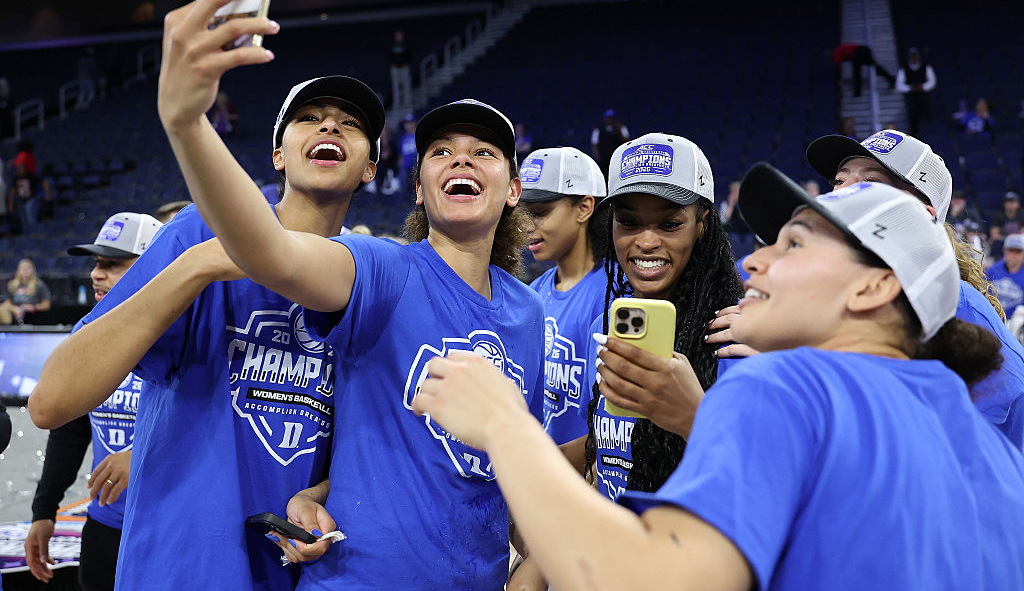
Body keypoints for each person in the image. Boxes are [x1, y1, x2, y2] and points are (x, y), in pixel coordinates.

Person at [412, 166, 1024, 591]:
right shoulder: (992, 450)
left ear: (874, 287)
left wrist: (502, 425)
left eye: (794, 245)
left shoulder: (790, 384)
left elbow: (646, 578)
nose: (755, 259)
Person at [30, 0, 385, 591]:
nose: (330, 126)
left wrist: (322, 495)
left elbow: (371, 445)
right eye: (309, 118)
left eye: (350, 124)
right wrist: (199, 265)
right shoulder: (199, 232)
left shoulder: (375, 272)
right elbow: (53, 401)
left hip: (304, 576)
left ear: (371, 165)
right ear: (278, 154)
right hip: (181, 571)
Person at [160, 55, 544, 588]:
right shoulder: (383, 268)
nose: (462, 162)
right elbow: (275, 253)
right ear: (418, 186)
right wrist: (189, 127)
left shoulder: (528, 313)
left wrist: (538, 564)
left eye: (484, 153)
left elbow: (519, 468)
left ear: (514, 189)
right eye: (440, 153)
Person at [798, 129, 1024, 448]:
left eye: (869, 182)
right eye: (839, 180)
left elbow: (937, 456)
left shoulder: (959, 311)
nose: (840, 194)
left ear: (920, 211)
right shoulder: (849, 294)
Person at [579, 134, 741, 502]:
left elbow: (758, 488)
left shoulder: (733, 341)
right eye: (629, 222)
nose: (647, 242)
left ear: (702, 223)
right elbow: (604, 464)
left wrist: (691, 415)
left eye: (669, 224)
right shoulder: (604, 329)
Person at [25, 212, 161, 591]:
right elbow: (70, 428)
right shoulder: (85, 332)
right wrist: (44, 510)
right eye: (96, 263)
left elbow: (218, 431)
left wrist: (145, 454)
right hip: (104, 523)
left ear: (154, 266)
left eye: (112, 264)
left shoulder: (190, 334)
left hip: (165, 524)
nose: (95, 274)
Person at [520, 147, 607, 444]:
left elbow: (610, 430)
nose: (527, 226)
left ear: (584, 207)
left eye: (541, 213)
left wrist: (534, 470)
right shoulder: (532, 293)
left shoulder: (614, 293)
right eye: (522, 214)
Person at [895, 47, 937, 134]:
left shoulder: (926, 67)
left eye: (915, 56)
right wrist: (910, 88)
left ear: (918, 56)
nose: (914, 58)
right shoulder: (904, 69)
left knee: (926, 117)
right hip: (911, 98)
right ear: (909, 57)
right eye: (912, 56)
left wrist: (923, 87)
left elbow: (932, 81)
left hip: (924, 97)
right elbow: (899, 85)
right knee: (913, 119)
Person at [831, 42, 895, 97]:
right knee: (876, 67)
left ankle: (857, 93)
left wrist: (839, 79)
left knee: (856, 74)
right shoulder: (840, 48)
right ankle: (891, 79)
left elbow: (838, 68)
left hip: (857, 53)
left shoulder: (836, 53)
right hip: (865, 49)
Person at [0, 257, 51, 324]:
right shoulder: (12, 285)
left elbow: (46, 305)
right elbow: (7, 303)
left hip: (33, 316)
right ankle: (6, 328)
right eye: (23, 268)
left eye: (28, 268)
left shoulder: (39, 285)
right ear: (18, 270)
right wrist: (15, 309)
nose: (25, 270)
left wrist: (33, 307)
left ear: (32, 270)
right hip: (14, 315)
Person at [988, 234, 1024, 318]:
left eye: (1018, 251)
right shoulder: (992, 270)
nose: (1014, 255)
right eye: (1011, 250)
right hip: (993, 318)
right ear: (1004, 250)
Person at [591, 109, 629, 175]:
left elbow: (626, 141)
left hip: (617, 159)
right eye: (608, 118)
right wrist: (598, 157)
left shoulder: (621, 128)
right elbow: (595, 144)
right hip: (604, 160)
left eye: (611, 118)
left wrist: (619, 130)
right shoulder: (598, 130)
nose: (610, 120)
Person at [389, 29, 412, 110]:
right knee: (396, 87)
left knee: (406, 85)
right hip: (395, 69)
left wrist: (407, 64)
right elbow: (389, 56)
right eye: (397, 36)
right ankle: (397, 104)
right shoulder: (392, 45)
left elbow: (409, 55)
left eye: (400, 36)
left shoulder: (406, 45)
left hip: (404, 68)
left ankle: (407, 103)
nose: (399, 37)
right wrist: (392, 65)